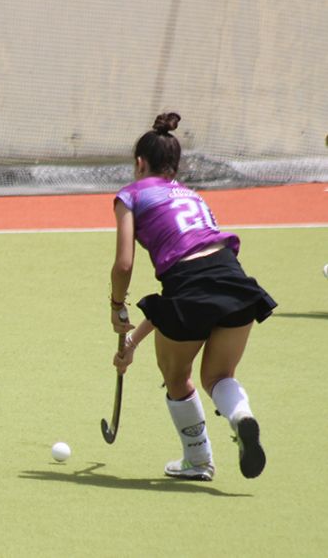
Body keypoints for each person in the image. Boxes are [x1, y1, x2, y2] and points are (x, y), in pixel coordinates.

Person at [109, 112, 276, 481]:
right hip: (233, 279)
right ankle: (241, 417)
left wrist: (117, 306)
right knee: (218, 376)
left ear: (140, 163)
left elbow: (124, 266)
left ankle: (198, 460)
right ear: (175, 165)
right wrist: (133, 343)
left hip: (189, 286)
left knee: (177, 376)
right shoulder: (191, 195)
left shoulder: (131, 195)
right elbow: (183, 292)